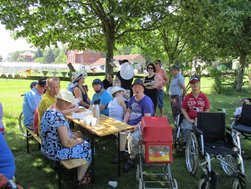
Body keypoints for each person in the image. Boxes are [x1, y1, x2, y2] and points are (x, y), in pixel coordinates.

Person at [40, 89, 92, 185]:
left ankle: (73, 170)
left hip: (46, 147)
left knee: (77, 137)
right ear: (63, 102)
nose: (70, 106)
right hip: (54, 151)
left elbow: (55, 133)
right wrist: (79, 140)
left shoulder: (50, 110)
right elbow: (66, 143)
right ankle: (79, 178)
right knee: (88, 146)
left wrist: (72, 135)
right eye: (69, 103)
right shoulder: (58, 117)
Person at [123, 79, 154, 172]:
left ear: (143, 89)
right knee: (119, 133)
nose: (137, 89)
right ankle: (122, 153)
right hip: (131, 124)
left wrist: (135, 127)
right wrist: (124, 123)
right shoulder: (132, 99)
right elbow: (128, 111)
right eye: (135, 87)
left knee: (132, 137)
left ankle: (132, 158)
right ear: (132, 89)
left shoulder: (146, 101)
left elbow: (147, 119)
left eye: (139, 87)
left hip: (143, 126)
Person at [181, 75, 210, 144]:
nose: (195, 85)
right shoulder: (187, 97)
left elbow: (207, 110)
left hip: (201, 119)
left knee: (207, 128)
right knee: (186, 128)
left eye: (196, 82)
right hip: (190, 119)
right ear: (190, 85)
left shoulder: (204, 97)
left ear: (199, 83)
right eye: (192, 83)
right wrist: (188, 119)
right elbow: (183, 109)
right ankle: (187, 144)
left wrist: (200, 118)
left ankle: (202, 143)